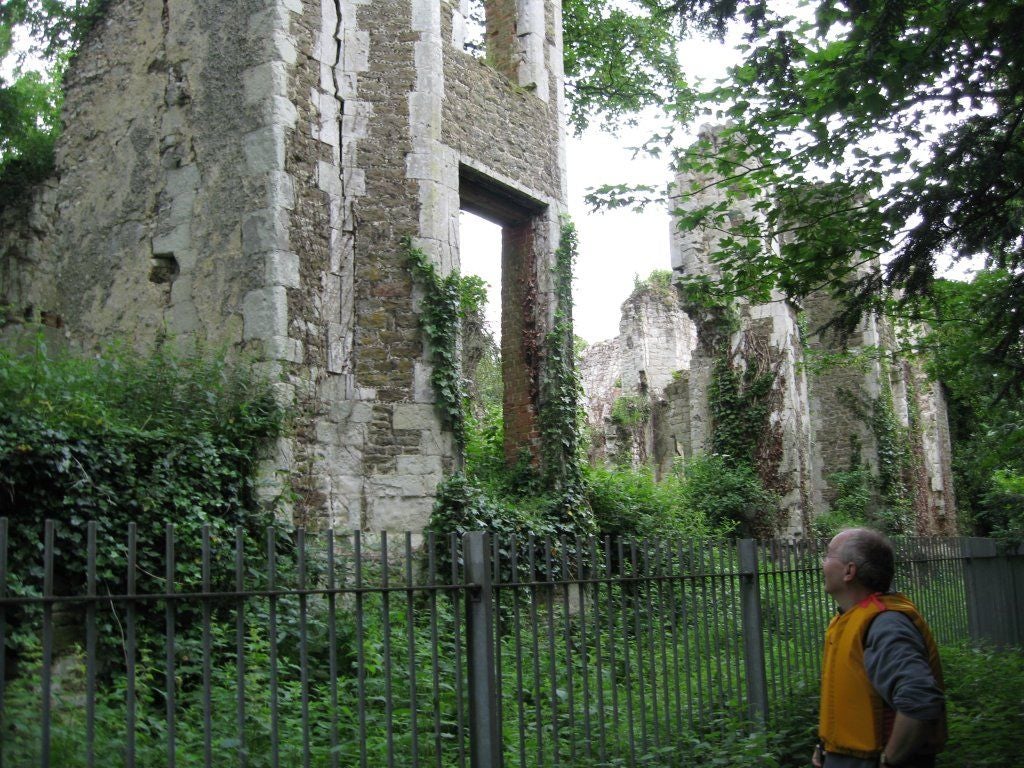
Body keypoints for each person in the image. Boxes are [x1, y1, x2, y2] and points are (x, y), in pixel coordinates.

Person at [812, 528, 946, 768]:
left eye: (828, 555)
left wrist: (890, 760)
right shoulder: (852, 618)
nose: (823, 563)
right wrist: (827, 748)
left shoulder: (885, 625)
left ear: (849, 571)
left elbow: (920, 698)